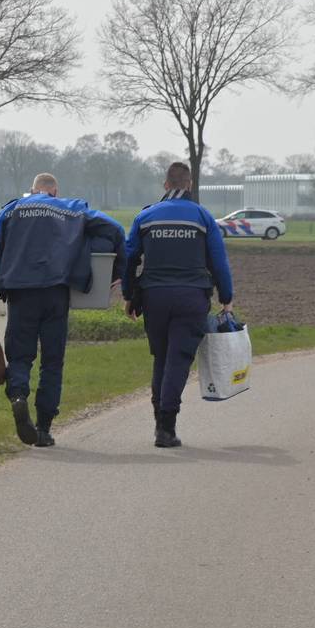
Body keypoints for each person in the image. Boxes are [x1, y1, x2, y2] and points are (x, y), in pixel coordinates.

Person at [0, 173, 124, 447]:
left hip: (20, 293)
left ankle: (19, 396)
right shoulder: (71, 208)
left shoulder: (10, 210)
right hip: (56, 293)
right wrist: (116, 270)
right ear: (55, 191)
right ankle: (43, 427)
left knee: (20, 356)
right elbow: (115, 229)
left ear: (32, 190)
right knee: (52, 362)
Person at [121, 162, 234, 448]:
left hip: (154, 297)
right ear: (190, 185)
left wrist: (128, 294)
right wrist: (226, 297)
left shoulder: (145, 216)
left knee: (161, 358)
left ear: (165, 185)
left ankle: (160, 419)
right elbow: (219, 261)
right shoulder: (203, 217)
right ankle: (166, 427)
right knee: (178, 360)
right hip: (191, 298)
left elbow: (129, 257)